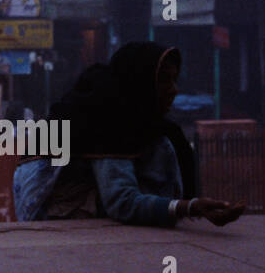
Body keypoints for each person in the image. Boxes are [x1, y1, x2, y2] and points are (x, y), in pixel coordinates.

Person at [13, 42, 246, 227]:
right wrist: (188, 207)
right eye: (163, 79)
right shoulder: (109, 118)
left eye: (174, 79)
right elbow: (121, 202)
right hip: (59, 221)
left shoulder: (148, 124)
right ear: (141, 81)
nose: (173, 89)